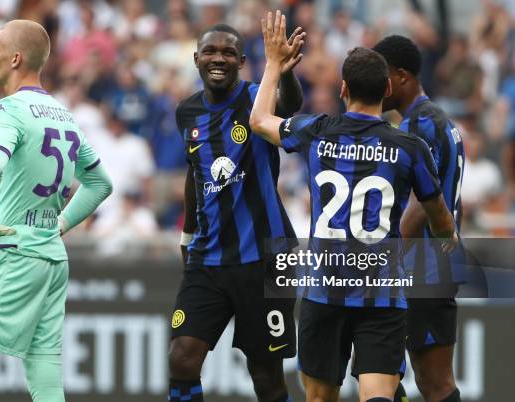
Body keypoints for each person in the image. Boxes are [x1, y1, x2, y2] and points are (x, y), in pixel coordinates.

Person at [250, 11, 458, 402]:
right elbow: (440, 217)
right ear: (384, 90)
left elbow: (260, 119)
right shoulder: (410, 148)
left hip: (323, 292)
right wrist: (447, 238)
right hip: (380, 295)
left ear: (343, 88)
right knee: (379, 396)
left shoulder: (317, 131)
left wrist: (275, 64)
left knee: (318, 398)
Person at [0, 20, 113, 402]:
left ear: (16, 58)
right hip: (52, 259)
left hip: (12, 253)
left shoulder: (6, 109)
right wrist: (58, 225)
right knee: (46, 382)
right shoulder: (65, 115)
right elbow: (102, 183)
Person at [168, 21, 305, 402]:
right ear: (196, 59)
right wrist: (187, 234)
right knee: (181, 358)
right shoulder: (187, 113)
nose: (218, 59)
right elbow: (194, 174)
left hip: (265, 259)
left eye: (229, 53)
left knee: (265, 374)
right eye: (210, 51)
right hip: (207, 258)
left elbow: (291, 106)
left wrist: (282, 70)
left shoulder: (256, 99)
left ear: (242, 62)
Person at [374, 34, 466, 402]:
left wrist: (379, 264)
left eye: (382, 76)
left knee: (427, 382)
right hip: (434, 269)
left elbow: (415, 212)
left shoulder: (420, 127)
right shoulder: (440, 122)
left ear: (401, 76)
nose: (377, 86)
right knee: (415, 380)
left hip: (419, 272)